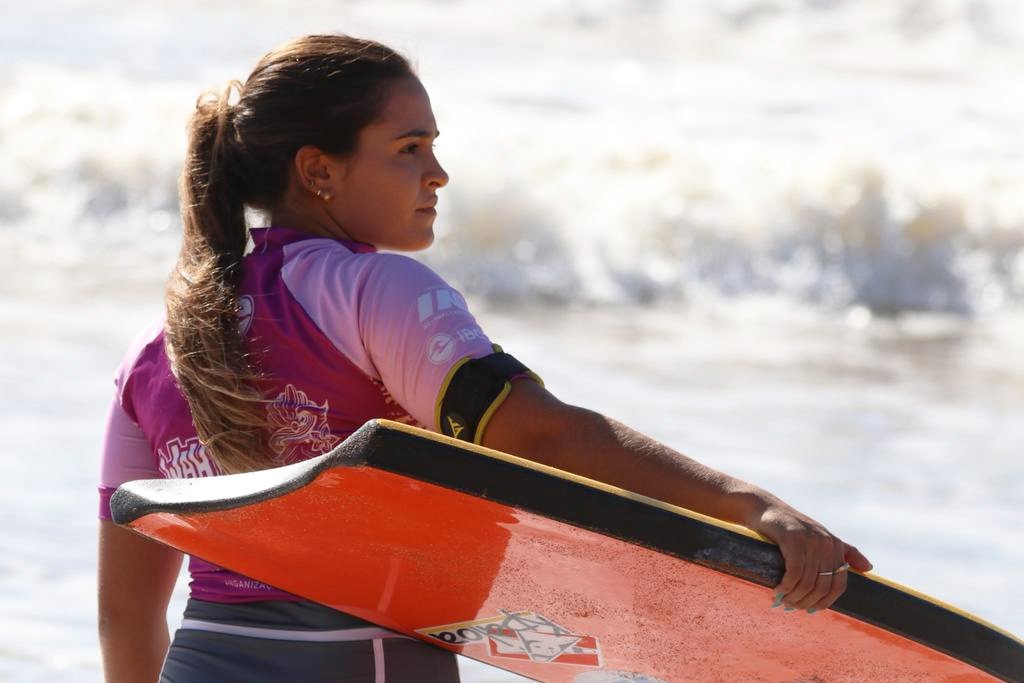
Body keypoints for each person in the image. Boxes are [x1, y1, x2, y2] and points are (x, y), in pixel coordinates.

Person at [97, 34, 872, 683]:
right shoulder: (375, 288)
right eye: (409, 148)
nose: (437, 174)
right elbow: (535, 435)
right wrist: (745, 505)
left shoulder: (156, 345)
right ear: (318, 170)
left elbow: (126, 619)